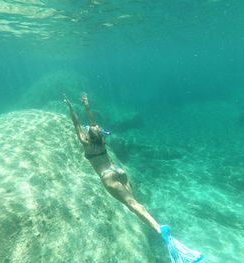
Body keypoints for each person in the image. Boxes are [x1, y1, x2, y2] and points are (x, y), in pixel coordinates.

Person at [64, 92, 203, 263]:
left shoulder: (87, 142)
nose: (90, 126)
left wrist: (70, 107)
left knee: (133, 206)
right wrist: (86, 105)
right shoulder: (101, 139)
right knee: (135, 203)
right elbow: (92, 122)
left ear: (89, 133)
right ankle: (154, 224)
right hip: (118, 170)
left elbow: (77, 124)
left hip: (108, 176)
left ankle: (160, 231)